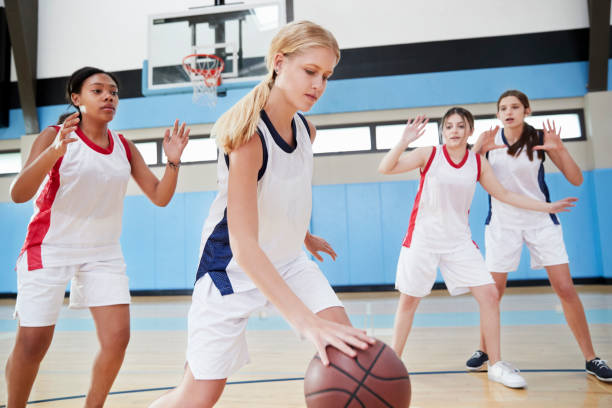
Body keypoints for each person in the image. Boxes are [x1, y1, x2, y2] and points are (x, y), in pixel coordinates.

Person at [149, 21, 374, 408]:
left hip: (287, 260)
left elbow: (283, 191)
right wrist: (304, 321)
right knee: (199, 395)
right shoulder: (249, 139)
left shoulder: (306, 129)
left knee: (346, 347)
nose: (318, 85)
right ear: (279, 62)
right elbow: (243, 243)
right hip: (231, 271)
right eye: (310, 71)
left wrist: (302, 235)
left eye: (326, 76)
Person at [5, 66, 190, 407]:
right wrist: (55, 151)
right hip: (49, 246)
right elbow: (18, 193)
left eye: (114, 92)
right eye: (98, 90)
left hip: (102, 252)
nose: (108, 96)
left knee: (118, 338)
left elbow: (160, 196)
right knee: (33, 344)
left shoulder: (124, 146)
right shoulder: (53, 135)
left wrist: (173, 162)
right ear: (76, 99)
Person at [379, 107, 577, 388]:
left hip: (459, 241)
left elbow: (505, 194)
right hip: (422, 239)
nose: (454, 131)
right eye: (449, 126)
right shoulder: (429, 154)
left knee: (488, 295)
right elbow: (385, 168)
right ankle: (393, 363)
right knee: (409, 301)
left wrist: (547, 206)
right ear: (442, 131)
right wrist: (403, 141)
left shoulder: (477, 162)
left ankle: (496, 364)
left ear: (470, 131)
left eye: (461, 126)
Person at [466, 89, 612, 382]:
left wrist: (559, 149)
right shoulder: (488, 142)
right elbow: (464, 179)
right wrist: (476, 151)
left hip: (541, 220)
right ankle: (484, 351)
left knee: (565, 288)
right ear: (497, 114)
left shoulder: (540, 139)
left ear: (527, 111)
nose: (509, 112)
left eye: (515, 107)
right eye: (503, 108)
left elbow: (576, 178)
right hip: (502, 224)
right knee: (493, 293)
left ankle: (591, 358)